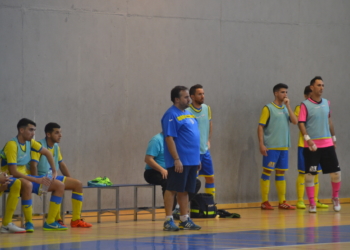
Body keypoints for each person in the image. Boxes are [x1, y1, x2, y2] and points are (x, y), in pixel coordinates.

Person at [1, 118, 67, 231]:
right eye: (31, 130)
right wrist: (36, 179)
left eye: (34, 130)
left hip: (25, 176)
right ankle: (28, 222)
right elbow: (14, 172)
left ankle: (50, 221)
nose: (33, 133)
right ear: (21, 130)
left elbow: (47, 153)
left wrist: (55, 171)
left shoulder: (30, 142)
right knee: (28, 184)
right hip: (9, 177)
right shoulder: (12, 145)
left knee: (60, 185)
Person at [29, 122, 92, 228]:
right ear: (48, 134)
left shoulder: (56, 147)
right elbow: (33, 165)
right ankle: (54, 219)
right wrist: (36, 182)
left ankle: (76, 220)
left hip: (54, 177)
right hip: (42, 178)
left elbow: (61, 164)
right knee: (59, 185)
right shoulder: (39, 145)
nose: (60, 135)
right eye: (57, 133)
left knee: (78, 184)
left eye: (60, 132)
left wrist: (70, 179)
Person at [161, 86, 201, 231]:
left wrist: (197, 159)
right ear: (176, 99)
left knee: (185, 190)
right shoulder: (171, 115)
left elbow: (194, 138)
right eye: (185, 97)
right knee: (172, 189)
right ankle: (168, 220)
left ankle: (184, 219)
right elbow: (169, 138)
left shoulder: (189, 114)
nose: (189, 99)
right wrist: (176, 159)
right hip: (179, 161)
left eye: (188, 97)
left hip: (192, 160)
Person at [298, 76, 341, 213]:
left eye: (323, 85)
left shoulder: (326, 103)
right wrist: (308, 139)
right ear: (312, 87)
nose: (321, 87)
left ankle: (335, 197)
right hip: (312, 146)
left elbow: (330, 121)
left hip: (327, 144)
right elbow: (301, 123)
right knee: (310, 175)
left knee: (336, 173)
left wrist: (333, 137)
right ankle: (312, 203)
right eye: (318, 85)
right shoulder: (305, 104)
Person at [258, 83, 298, 210]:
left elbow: (295, 121)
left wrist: (288, 106)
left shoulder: (286, 108)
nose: (285, 94)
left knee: (281, 173)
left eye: (286, 92)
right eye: (282, 92)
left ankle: (282, 201)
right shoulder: (268, 108)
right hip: (271, 147)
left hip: (284, 147)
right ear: (276, 93)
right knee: (267, 172)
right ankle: (265, 201)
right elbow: (260, 126)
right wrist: (261, 144)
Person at [294, 86, 328, 209]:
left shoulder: (320, 107)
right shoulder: (300, 107)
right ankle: (300, 200)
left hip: (317, 145)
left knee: (316, 173)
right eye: (309, 96)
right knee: (303, 172)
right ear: (305, 96)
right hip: (304, 145)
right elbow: (299, 122)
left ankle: (315, 200)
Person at [186, 84, 215, 198]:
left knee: (210, 177)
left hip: (205, 150)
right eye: (199, 94)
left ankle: (211, 203)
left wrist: (208, 140)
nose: (202, 96)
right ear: (192, 96)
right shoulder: (187, 111)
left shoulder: (207, 108)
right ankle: (188, 205)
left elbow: (210, 123)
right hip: (193, 152)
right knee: (193, 179)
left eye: (203, 93)